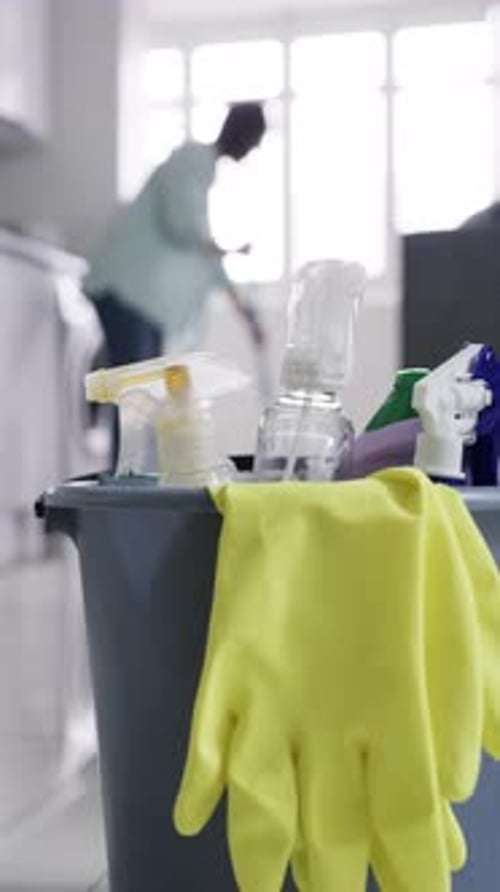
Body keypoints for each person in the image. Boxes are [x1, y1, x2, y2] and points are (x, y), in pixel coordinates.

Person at [83, 102, 267, 370]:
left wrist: (247, 315)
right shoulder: (191, 159)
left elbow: (208, 259)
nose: (252, 150)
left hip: (145, 302)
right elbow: (183, 227)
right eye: (254, 142)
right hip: (124, 289)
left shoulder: (202, 175)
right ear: (242, 134)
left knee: (140, 384)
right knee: (130, 384)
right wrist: (231, 248)